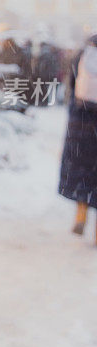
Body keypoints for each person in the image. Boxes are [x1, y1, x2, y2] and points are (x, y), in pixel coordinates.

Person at [59, 33, 97, 244]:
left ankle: (81, 215)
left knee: (82, 171)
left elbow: (71, 85)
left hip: (81, 121)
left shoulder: (84, 54)